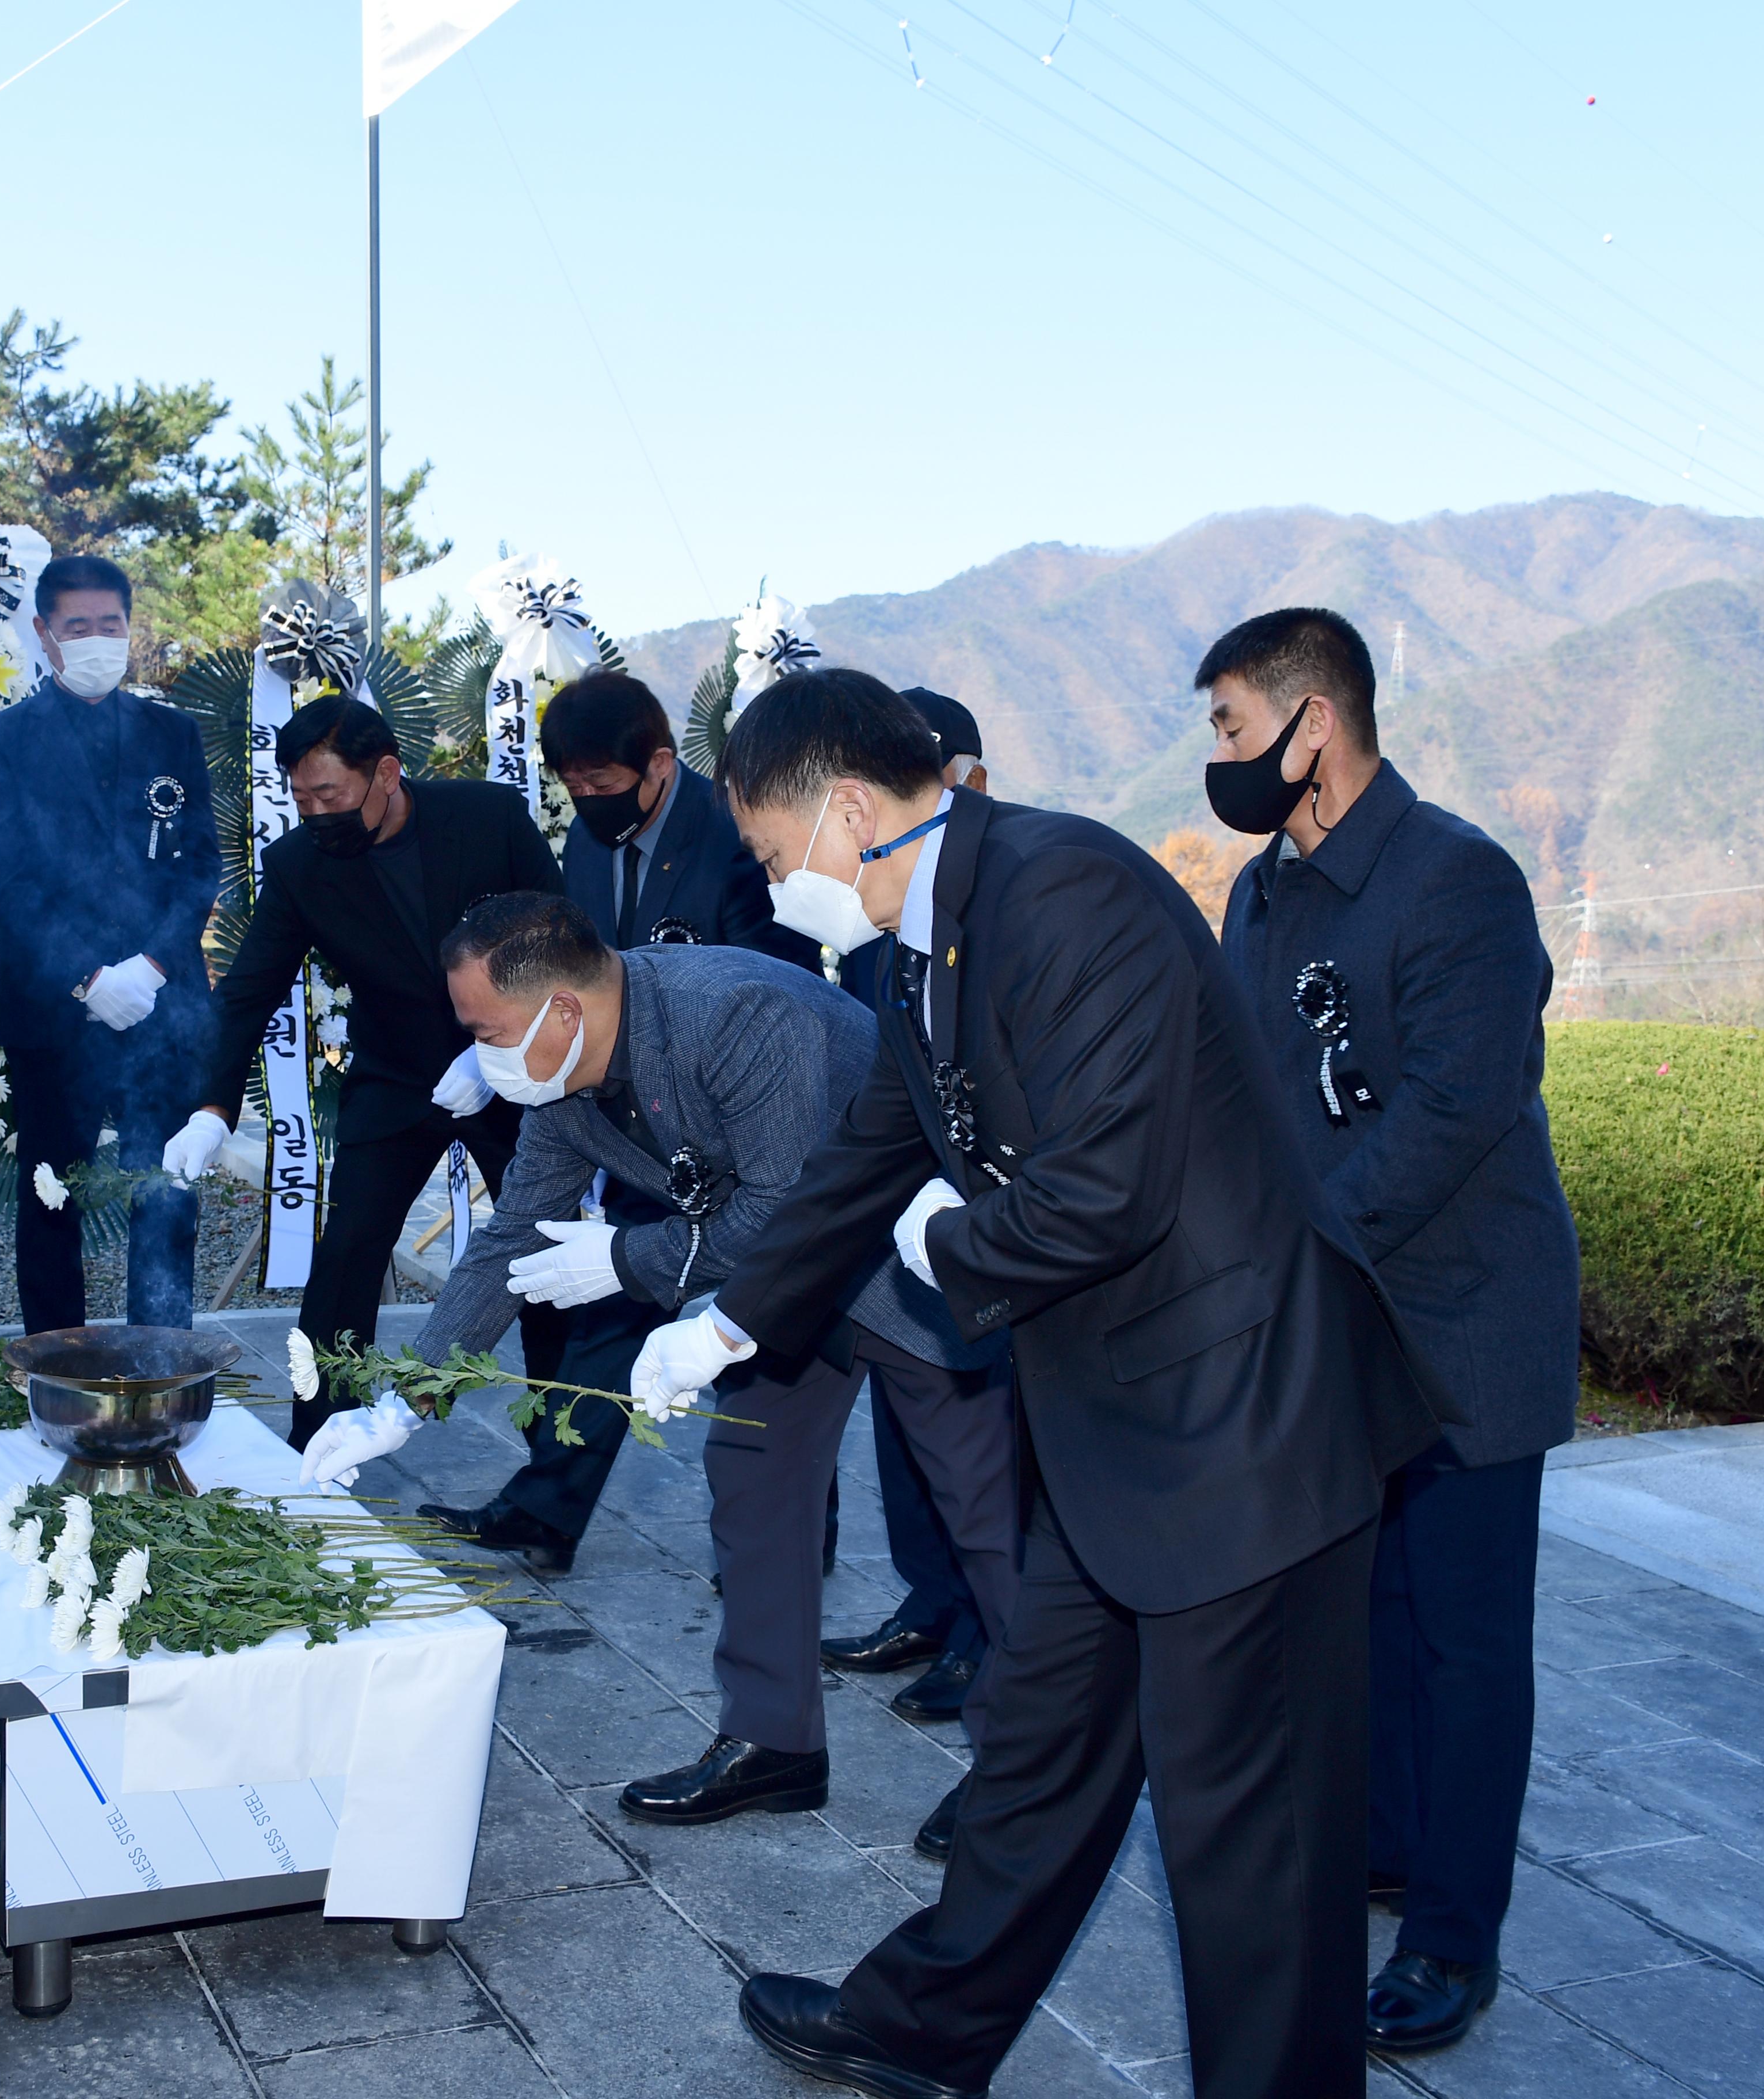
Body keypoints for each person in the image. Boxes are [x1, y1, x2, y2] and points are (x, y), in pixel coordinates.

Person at [636, 669, 1446, 2099]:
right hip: (1115, 1420)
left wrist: (945, 1241)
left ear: (843, 810)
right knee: (1037, 1759)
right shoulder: (914, 950)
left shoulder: (1061, 889)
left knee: (1245, 1837)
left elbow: (1105, 1192)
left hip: (1239, 1422)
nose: (773, 895)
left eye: (771, 859)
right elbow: (860, 1164)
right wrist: (723, 1325)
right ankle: (925, 2030)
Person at [384, 894, 999, 1838]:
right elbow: (510, 1233)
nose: (478, 1051)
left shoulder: (736, 1011)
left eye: (485, 1031)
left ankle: (1031, 1774)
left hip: (900, 1259)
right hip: (777, 1288)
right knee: (752, 1477)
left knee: (982, 1513)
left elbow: (791, 1211)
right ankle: (774, 1742)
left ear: (563, 1012)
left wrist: (624, 1258)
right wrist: (408, 1396)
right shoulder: (561, 1084)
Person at [1198, 607, 1580, 2057]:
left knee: (1469, 1640)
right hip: (1337, 1318)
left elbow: (1452, 1111)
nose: (1220, 760)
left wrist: (1291, 1248)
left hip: (1466, 1314)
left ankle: (1451, 1940)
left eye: (1232, 728)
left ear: (1315, 724)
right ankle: (1384, 1844)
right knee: (1365, 1613)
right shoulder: (1258, 896)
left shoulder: (1459, 879)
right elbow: (1241, 1092)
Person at [163, 695, 563, 1446]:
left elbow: (564, 939)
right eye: (301, 798)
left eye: (331, 795)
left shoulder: (488, 818)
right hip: (396, 1075)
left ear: (386, 773)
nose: (317, 813)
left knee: (541, 1255)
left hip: (514, 1074)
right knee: (346, 1259)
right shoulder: (300, 866)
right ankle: (317, 1443)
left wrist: (498, 1049)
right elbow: (250, 988)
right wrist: (210, 1109)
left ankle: (555, 1463)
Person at [0, 554, 219, 1334]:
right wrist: (86, 977)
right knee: (51, 1194)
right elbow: (7, 881)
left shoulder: (171, 734)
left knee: (164, 1191)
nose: (99, 639)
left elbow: (201, 864)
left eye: (112, 624)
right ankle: (57, 1365)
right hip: (54, 1011)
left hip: (163, 1004)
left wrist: (149, 967)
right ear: (45, 635)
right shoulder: (0, 742)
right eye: (79, 627)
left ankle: (162, 1360)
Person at [827, 684, 1010, 1736]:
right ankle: (931, 1602)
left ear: (961, 778)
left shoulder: (1004, 901)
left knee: (986, 1451)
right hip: (903, 1213)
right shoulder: (873, 911)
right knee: (907, 1428)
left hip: (987, 1224)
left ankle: (989, 1643)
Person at [541, 670, 815, 969]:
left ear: (659, 763)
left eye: (604, 785)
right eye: (574, 787)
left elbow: (779, 985)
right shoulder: (584, 840)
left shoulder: (736, 839)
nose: (590, 799)